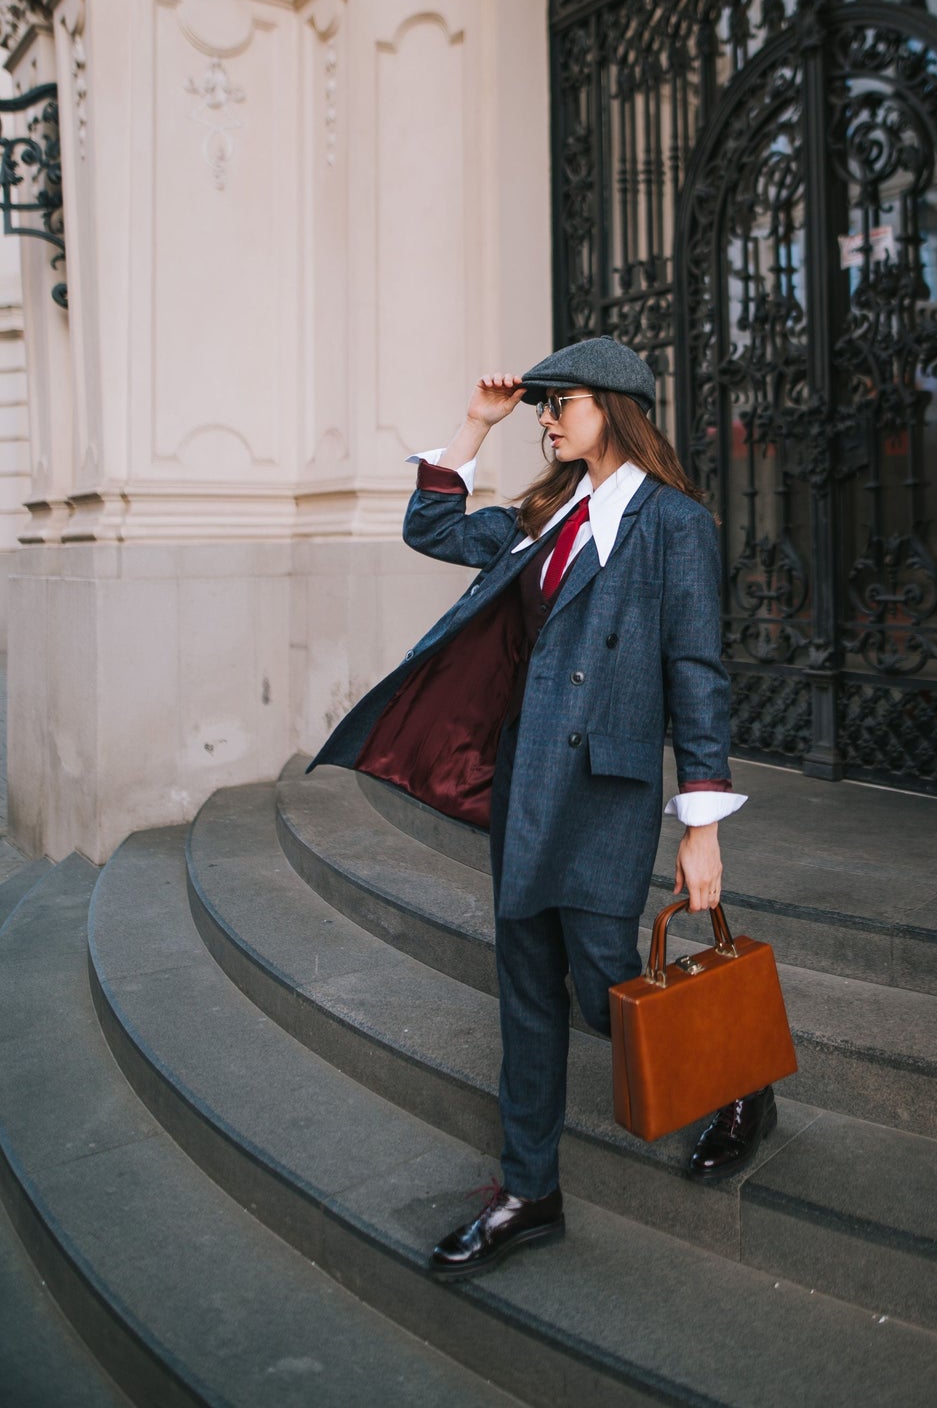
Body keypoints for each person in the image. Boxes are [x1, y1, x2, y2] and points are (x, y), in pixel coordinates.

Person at [309, 335, 777, 1281]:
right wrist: (473, 426)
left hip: (605, 789)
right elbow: (433, 532)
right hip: (527, 780)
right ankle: (529, 1191)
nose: (548, 420)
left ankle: (741, 1083)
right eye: (543, 407)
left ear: (614, 408)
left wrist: (702, 827)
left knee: (605, 984)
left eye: (561, 403)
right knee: (525, 990)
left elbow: (697, 673)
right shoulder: (543, 511)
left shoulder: (673, 523)